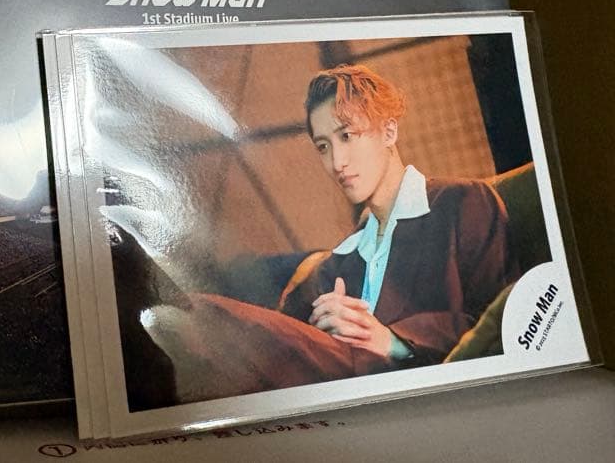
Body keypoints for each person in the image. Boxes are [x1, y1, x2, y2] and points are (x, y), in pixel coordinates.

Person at [142, 63, 519, 401]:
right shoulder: (342, 259)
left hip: (405, 386)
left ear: (389, 131)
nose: (337, 162)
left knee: (203, 316)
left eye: (347, 136)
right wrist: (319, 324)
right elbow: (290, 331)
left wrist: (392, 341)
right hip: (330, 390)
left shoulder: (461, 201)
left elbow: (500, 317)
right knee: (204, 324)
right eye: (323, 146)